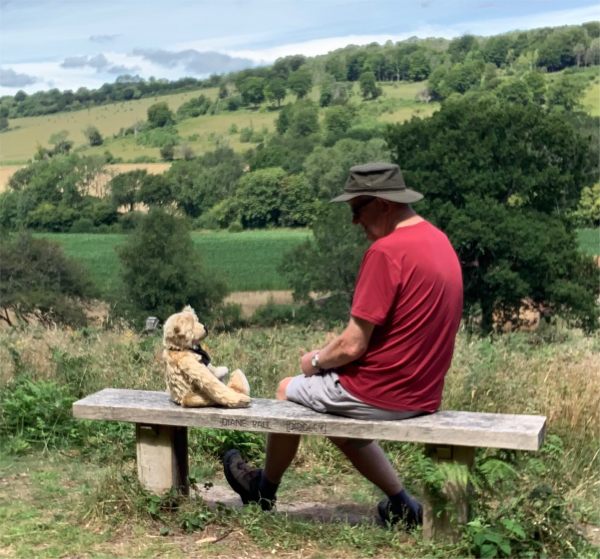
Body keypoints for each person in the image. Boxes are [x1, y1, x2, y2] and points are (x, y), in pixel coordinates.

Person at [223, 162, 463, 529]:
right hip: (423, 393)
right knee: (333, 411)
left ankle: (261, 490)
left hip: (382, 392)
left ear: (382, 203)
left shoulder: (387, 251)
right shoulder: (439, 241)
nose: (354, 222)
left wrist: (315, 360)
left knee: (288, 390)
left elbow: (352, 345)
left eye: (357, 210)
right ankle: (402, 503)